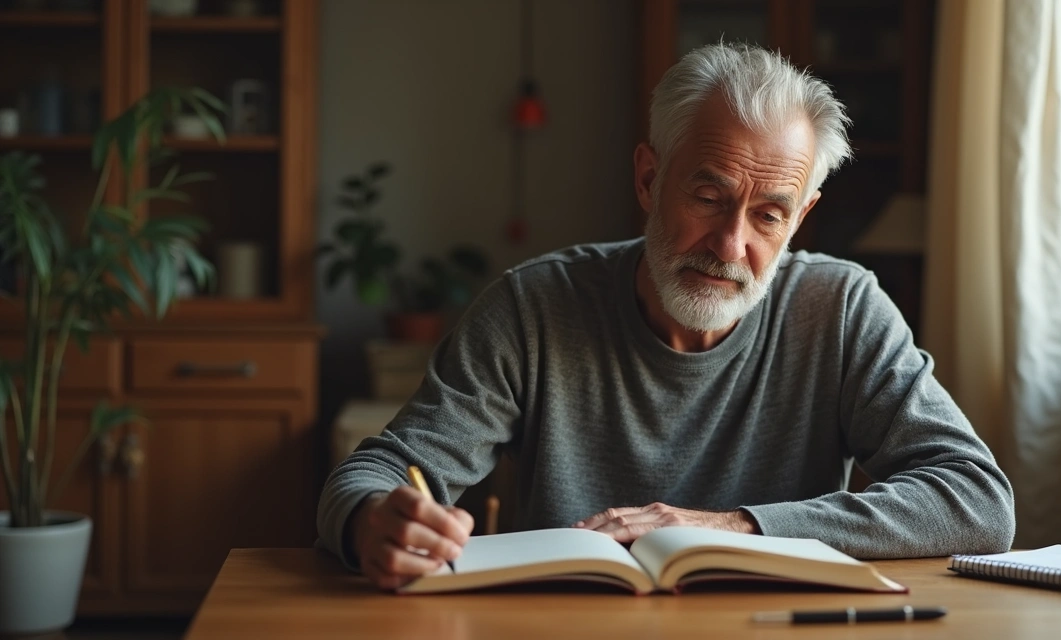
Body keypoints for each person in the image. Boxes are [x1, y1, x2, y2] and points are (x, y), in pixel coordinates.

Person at [318, 42, 1015, 590]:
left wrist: (732, 527)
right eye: (709, 197)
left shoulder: (839, 309)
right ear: (649, 179)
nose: (730, 244)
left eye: (769, 214)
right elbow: (375, 473)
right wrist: (373, 523)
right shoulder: (533, 306)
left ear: (801, 218)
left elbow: (977, 500)